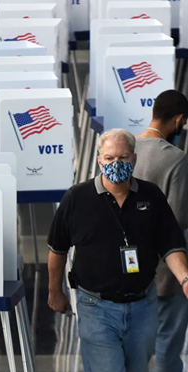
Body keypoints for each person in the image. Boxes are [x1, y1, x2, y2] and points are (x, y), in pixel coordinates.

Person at [47, 129, 188, 372]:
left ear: (134, 160)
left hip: (142, 306)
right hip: (96, 307)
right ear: (99, 160)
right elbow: (57, 249)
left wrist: (185, 278)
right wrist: (54, 291)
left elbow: (170, 244)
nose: (116, 163)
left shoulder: (150, 195)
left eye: (123, 158)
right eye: (110, 158)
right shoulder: (77, 198)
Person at [134, 89, 188, 372]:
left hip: (129, 267)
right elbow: (177, 219)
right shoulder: (175, 159)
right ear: (179, 120)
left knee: (136, 342)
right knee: (168, 340)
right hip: (168, 269)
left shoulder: (122, 148)